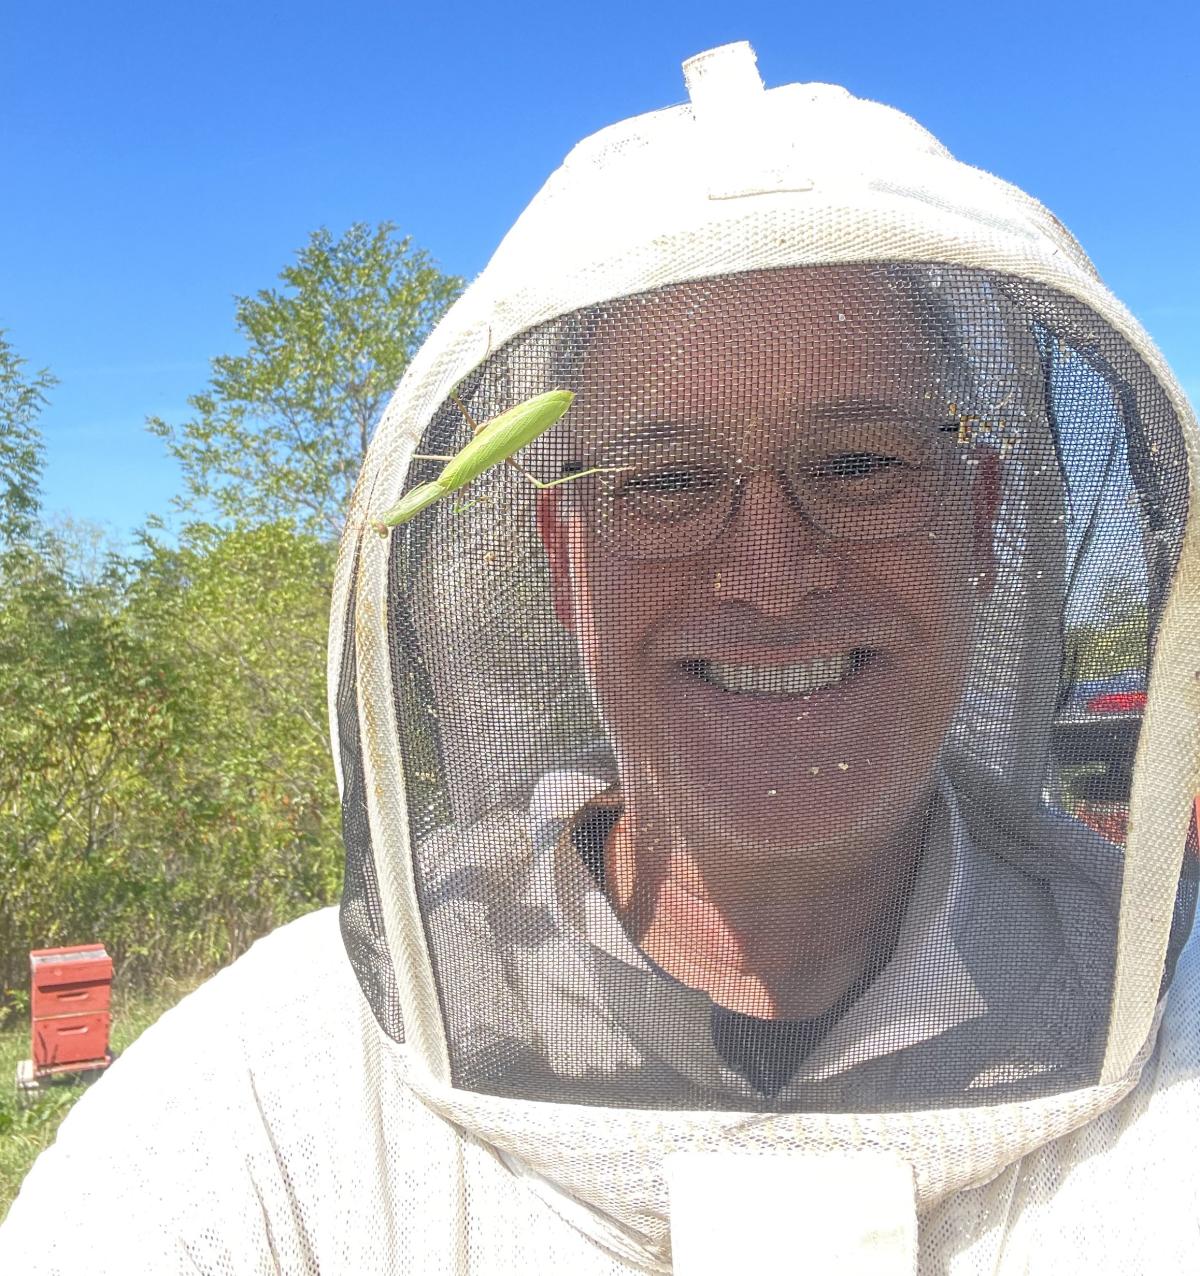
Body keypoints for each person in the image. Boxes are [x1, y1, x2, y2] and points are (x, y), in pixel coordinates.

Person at [3, 41, 1198, 1274]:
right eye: (667, 484)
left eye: (860, 465)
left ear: (982, 519)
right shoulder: (267, 1095)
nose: (772, 573)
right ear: (564, 560)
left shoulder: (1178, 1032)